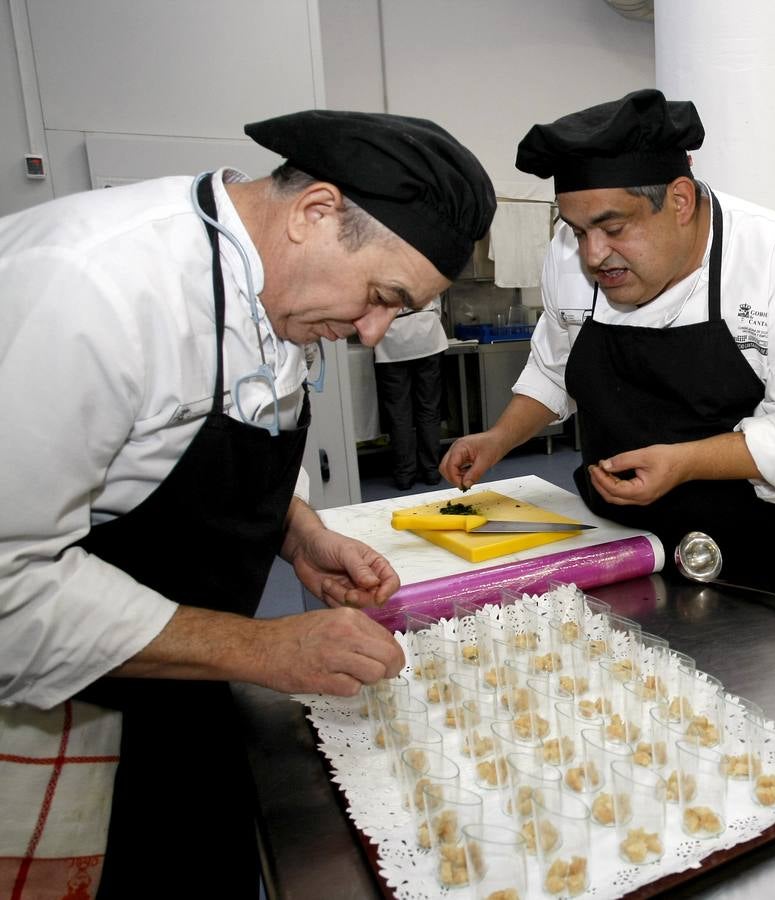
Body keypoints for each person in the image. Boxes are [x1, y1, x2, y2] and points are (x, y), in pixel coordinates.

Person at [0, 109, 495, 897]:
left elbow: (231, 423)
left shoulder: (272, 287)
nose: (372, 334)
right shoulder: (88, 288)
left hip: (183, 674)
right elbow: (8, 584)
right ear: (315, 213)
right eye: (379, 296)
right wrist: (264, 650)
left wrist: (295, 531)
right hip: (61, 695)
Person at [440, 90, 775, 567]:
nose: (593, 254)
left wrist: (683, 463)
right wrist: (499, 438)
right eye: (578, 230)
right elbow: (554, 369)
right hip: (612, 537)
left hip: (748, 539)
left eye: (613, 228)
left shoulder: (774, 257)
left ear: (679, 200)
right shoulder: (566, 253)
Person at [376, 295, 451, 490]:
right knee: (429, 408)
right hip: (427, 333)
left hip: (391, 339)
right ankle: (432, 471)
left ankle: (404, 475)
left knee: (398, 412)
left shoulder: (373, 267)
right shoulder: (423, 263)